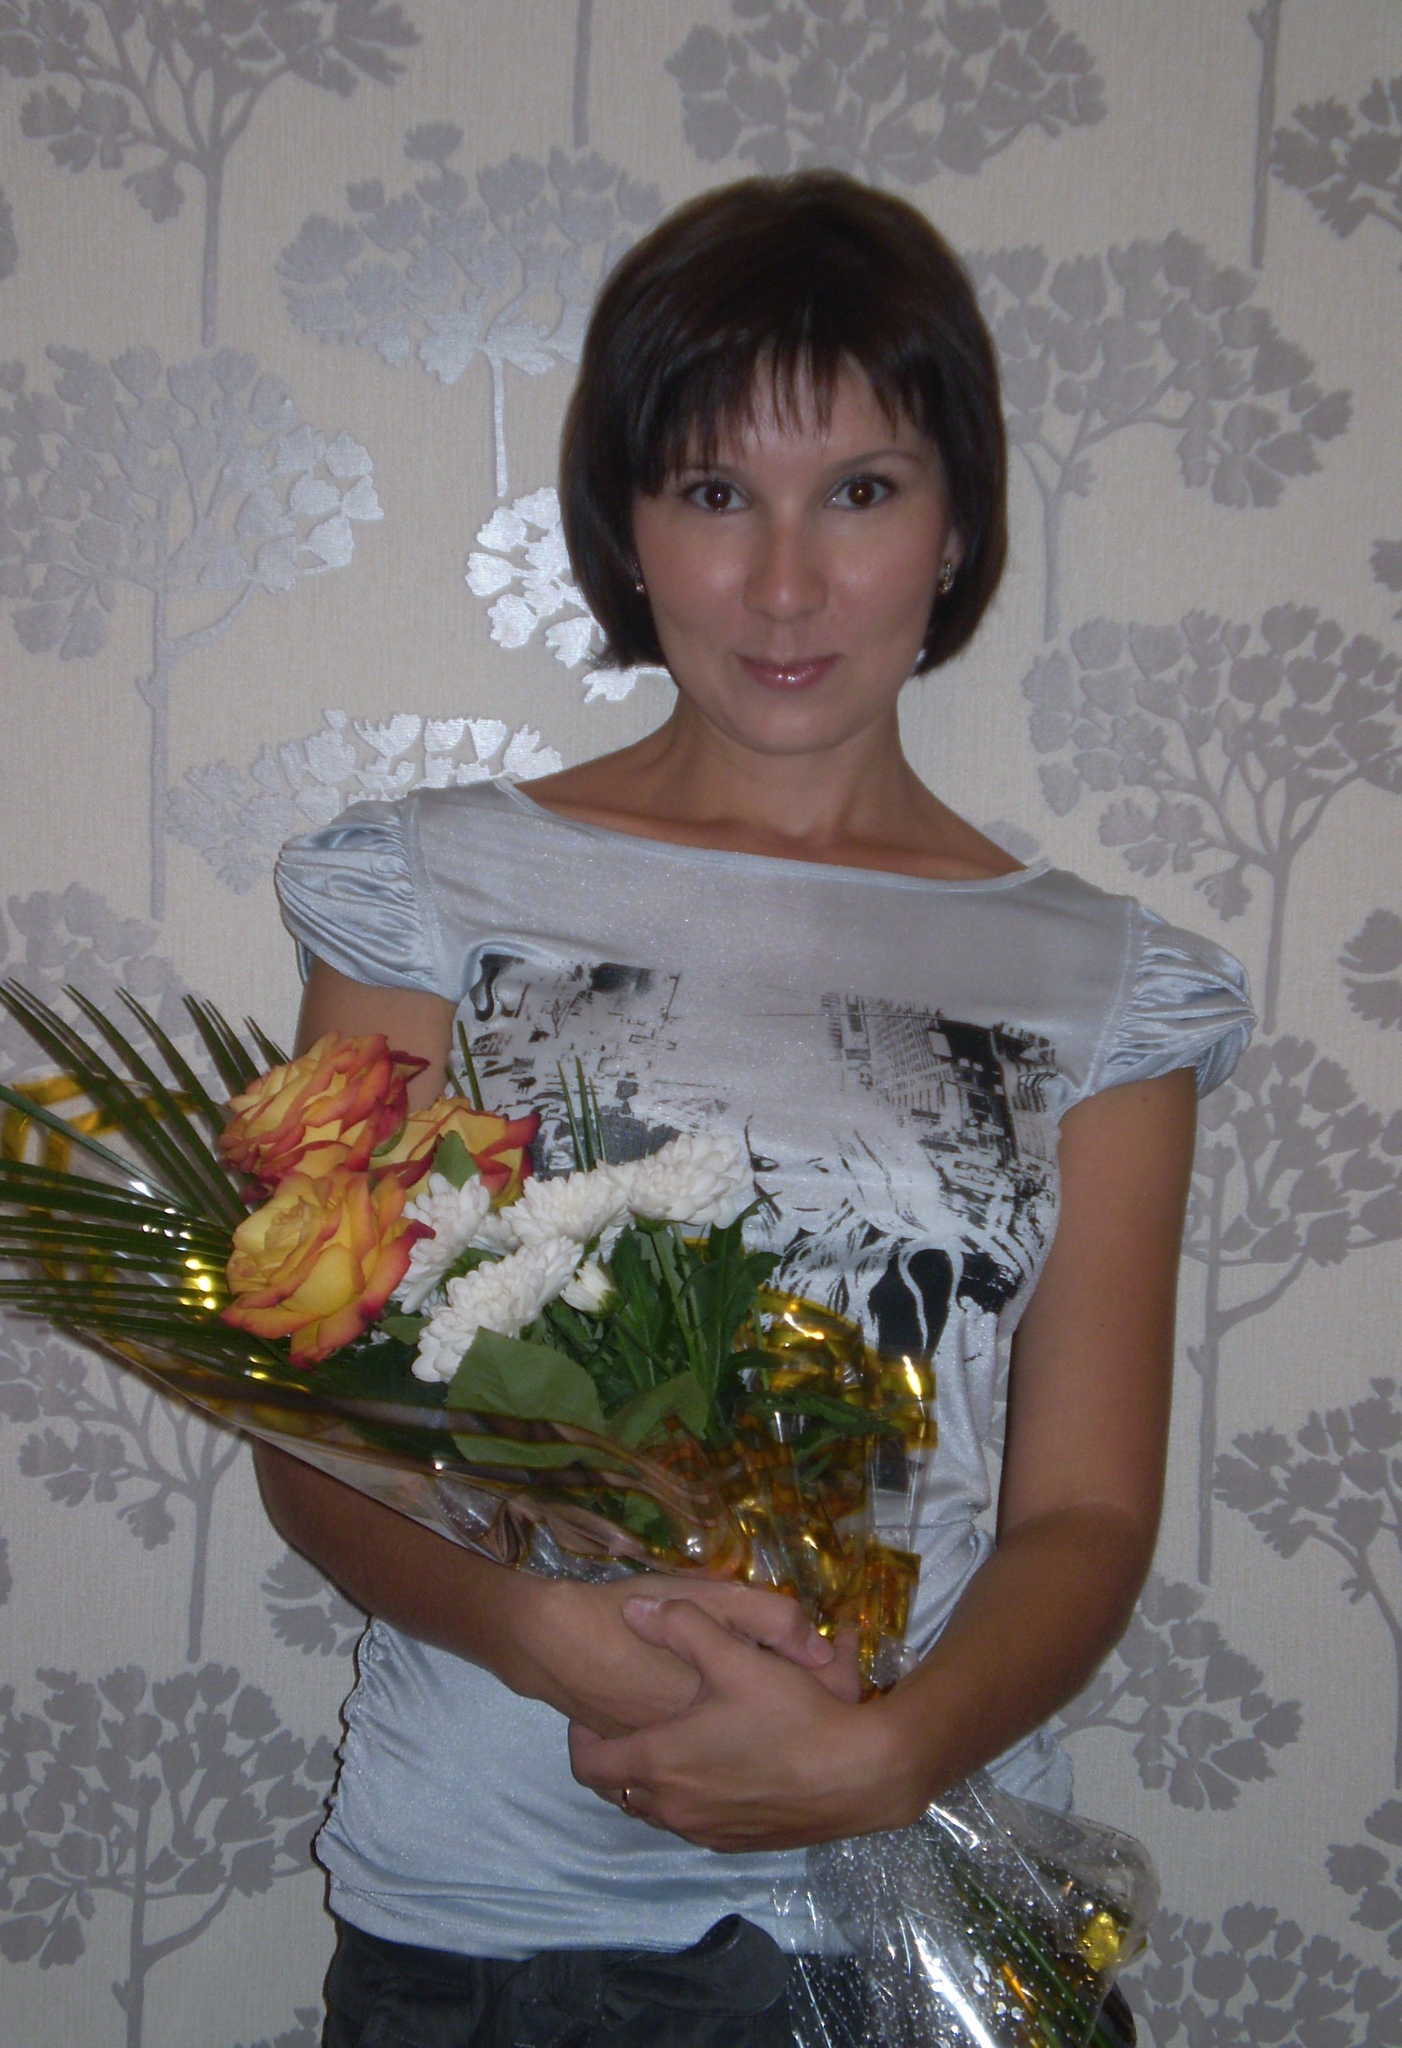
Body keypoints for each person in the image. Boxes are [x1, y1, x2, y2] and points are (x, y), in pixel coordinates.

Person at [256, 171, 1253, 2047]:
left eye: (860, 492)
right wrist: (532, 1630)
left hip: (925, 1916)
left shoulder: (1109, 986)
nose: (786, 585)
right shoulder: (425, 899)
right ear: (626, 528)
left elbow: (1088, 1508)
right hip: (501, 1928)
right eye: (715, 495)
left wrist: (893, 1756)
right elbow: (315, 1427)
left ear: (958, 528)